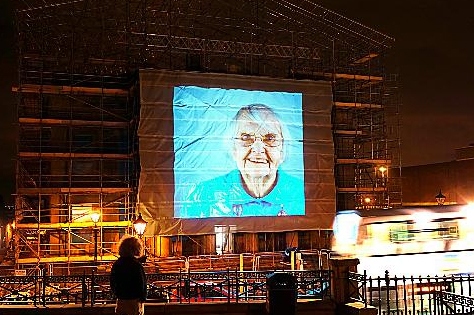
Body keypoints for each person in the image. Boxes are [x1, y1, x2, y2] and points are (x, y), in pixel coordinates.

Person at [183, 103, 305, 218]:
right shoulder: (202, 196)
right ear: (233, 148)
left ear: (283, 149)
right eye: (246, 137)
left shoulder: (304, 195)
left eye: (270, 138)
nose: (258, 150)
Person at [110, 235, 147, 315]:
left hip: (121, 299)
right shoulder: (136, 265)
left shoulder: (117, 264)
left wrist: (117, 293)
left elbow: (112, 282)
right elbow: (141, 284)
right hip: (134, 300)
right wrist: (142, 298)